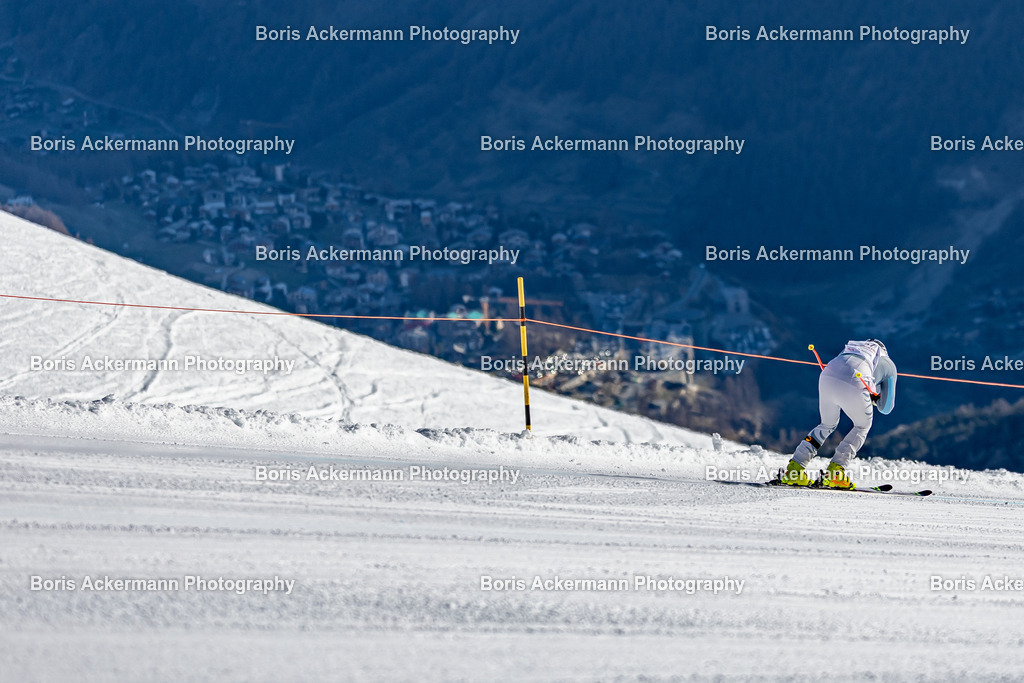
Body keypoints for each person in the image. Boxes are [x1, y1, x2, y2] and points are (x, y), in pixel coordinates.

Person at [778, 339, 897, 489]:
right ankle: (835, 472)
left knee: (826, 424)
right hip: (856, 380)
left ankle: (794, 469)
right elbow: (886, 408)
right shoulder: (889, 364)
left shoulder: (853, 348)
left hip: (827, 374)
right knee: (862, 426)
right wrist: (874, 397)